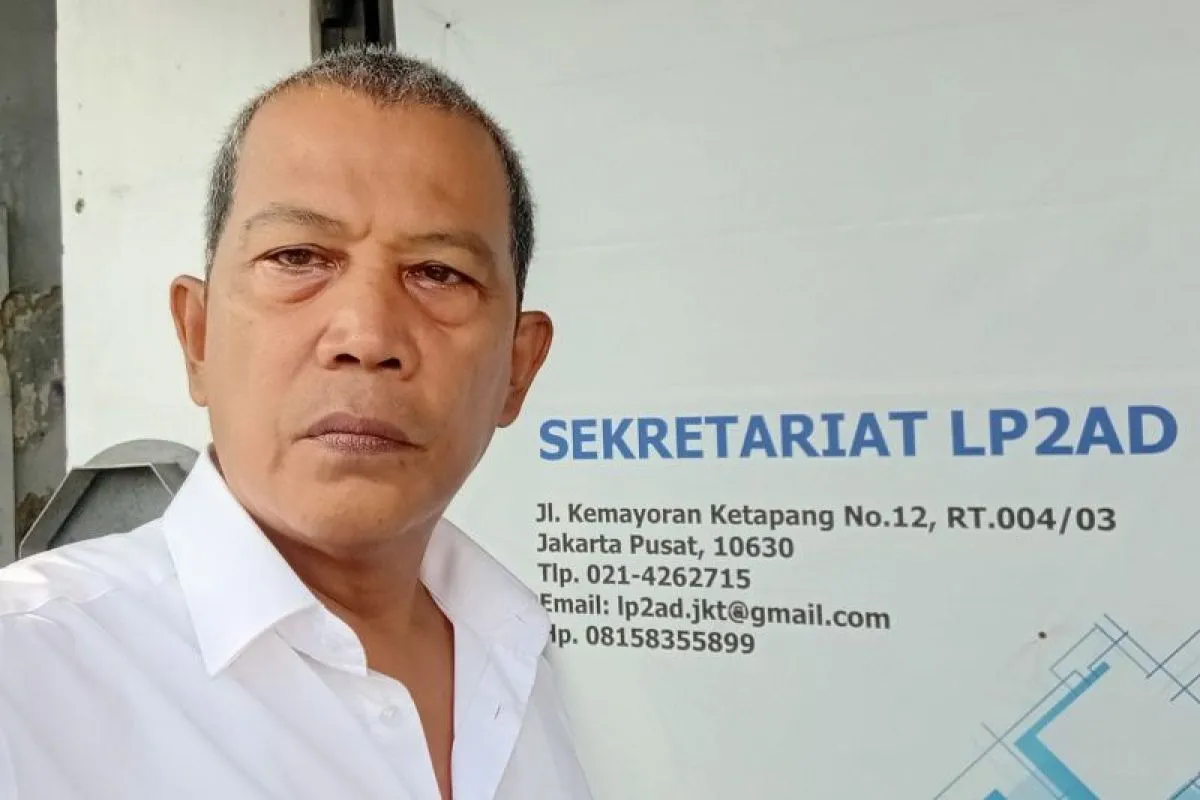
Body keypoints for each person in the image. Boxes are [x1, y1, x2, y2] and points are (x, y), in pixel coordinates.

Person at [0, 45, 593, 800]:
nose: (367, 336)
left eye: (438, 273)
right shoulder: (29, 675)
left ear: (518, 366)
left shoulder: (516, 653)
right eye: (299, 257)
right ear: (197, 336)